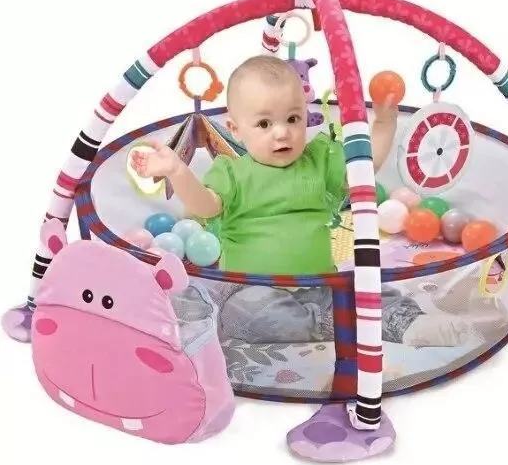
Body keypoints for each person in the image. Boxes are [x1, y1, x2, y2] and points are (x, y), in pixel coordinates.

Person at [131, 55, 472, 347]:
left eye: (292, 119)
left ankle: (411, 324)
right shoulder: (232, 171)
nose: (282, 132)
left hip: (319, 284)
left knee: (369, 290)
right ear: (235, 130)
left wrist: (384, 123)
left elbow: (365, 168)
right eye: (264, 123)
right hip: (253, 289)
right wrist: (177, 171)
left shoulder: (318, 159)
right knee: (243, 316)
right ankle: (335, 323)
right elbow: (204, 206)